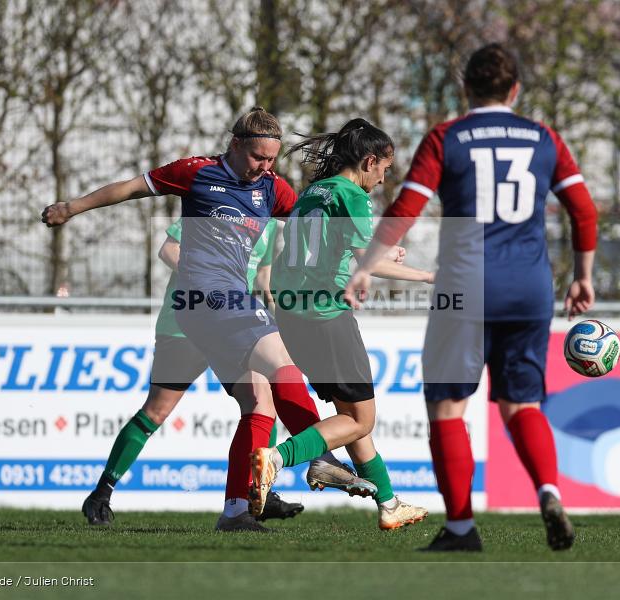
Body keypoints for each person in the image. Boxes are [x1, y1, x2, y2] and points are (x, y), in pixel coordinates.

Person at [43, 107, 375, 533]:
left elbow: (310, 224)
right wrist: (71, 207)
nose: (265, 167)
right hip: (202, 303)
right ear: (235, 144)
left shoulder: (272, 189)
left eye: (272, 159)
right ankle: (320, 457)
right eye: (258, 157)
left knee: (260, 402)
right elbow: (130, 189)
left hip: (227, 309)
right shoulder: (197, 173)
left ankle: (236, 510)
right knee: (270, 369)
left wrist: (356, 248)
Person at [344, 44, 598, 551]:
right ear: (516, 89)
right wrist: (583, 276)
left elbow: (407, 206)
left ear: (466, 87)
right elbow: (584, 210)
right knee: (522, 403)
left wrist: (367, 265)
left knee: (447, 407)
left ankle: (461, 527)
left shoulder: (448, 137)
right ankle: (548, 491)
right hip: (529, 288)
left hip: (465, 286)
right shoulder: (545, 138)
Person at [249, 118, 435, 530]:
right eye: (384, 169)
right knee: (361, 420)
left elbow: (339, 250)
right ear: (369, 161)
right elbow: (366, 262)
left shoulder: (313, 192)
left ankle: (389, 504)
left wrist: (381, 254)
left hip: (292, 316)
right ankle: (277, 458)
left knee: (349, 417)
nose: (382, 179)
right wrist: (428, 276)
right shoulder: (352, 195)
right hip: (326, 317)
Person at [79, 219, 303, 526]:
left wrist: (273, 309)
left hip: (233, 327)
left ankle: (257, 492)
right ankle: (101, 492)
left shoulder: (267, 218)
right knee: (156, 412)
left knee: (262, 402)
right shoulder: (214, 205)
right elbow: (169, 250)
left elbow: (262, 275)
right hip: (183, 324)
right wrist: (211, 286)